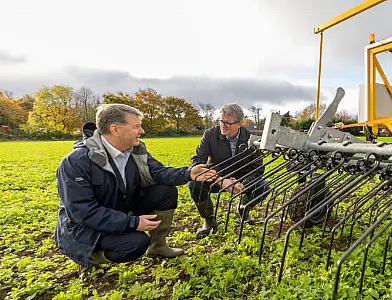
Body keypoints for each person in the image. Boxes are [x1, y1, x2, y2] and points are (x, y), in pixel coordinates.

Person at [53, 103, 216, 270]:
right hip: (86, 227)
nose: (142, 131)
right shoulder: (77, 162)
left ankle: (158, 247)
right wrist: (132, 223)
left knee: (165, 192)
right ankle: (88, 257)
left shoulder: (134, 149)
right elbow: (82, 211)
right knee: (136, 243)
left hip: (118, 207)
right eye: (137, 126)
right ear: (115, 129)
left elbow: (158, 172)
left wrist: (189, 174)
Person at [189, 103, 270, 238]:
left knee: (264, 187)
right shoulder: (210, 135)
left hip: (242, 177)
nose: (222, 125)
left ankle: (243, 207)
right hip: (217, 175)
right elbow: (197, 161)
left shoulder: (252, 139)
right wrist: (220, 181)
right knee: (194, 184)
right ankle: (209, 220)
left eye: (227, 123)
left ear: (239, 123)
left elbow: (257, 168)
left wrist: (243, 184)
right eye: (221, 121)